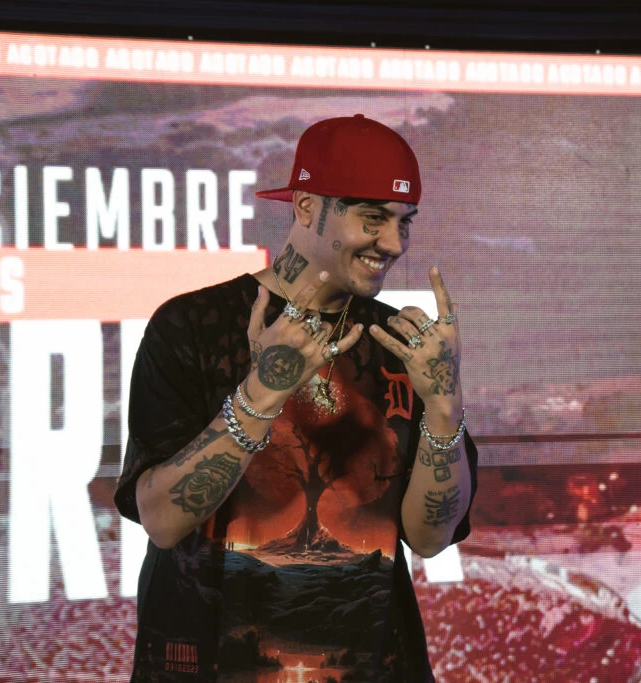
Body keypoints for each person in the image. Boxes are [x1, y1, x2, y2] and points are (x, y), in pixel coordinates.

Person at [114, 113, 478, 682]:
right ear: (307, 207)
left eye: (404, 221)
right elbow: (161, 521)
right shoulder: (191, 327)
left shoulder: (401, 344)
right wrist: (261, 394)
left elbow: (430, 538)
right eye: (373, 218)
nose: (393, 243)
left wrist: (444, 407)